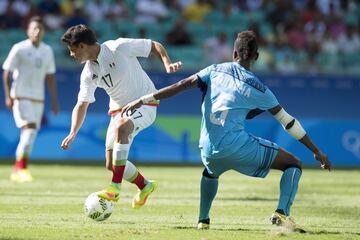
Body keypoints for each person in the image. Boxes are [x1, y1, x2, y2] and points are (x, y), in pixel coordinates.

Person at [120, 30, 331, 229]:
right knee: (293, 164)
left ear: (234, 53)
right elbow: (288, 122)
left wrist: (144, 99)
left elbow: (183, 84)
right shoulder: (260, 88)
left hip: (208, 150)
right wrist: (316, 151)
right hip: (238, 147)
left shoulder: (213, 70)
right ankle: (282, 214)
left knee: (211, 172)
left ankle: (203, 220)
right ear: (256, 56)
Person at [60, 24, 182, 208]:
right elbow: (81, 104)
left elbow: (153, 45)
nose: (71, 54)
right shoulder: (88, 73)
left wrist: (167, 63)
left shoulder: (119, 47)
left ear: (83, 46)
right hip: (119, 111)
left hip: (145, 102)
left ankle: (114, 188)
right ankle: (145, 186)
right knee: (112, 164)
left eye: (72, 49)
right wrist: (73, 132)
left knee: (122, 126)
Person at [2, 16, 59, 183]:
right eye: (34, 28)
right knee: (31, 130)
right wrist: (8, 96)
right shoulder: (19, 48)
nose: (37, 31)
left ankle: (17, 169)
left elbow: (50, 76)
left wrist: (54, 100)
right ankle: (21, 168)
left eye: (40, 28)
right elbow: (7, 72)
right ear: (28, 30)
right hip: (20, 96)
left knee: (28, 135)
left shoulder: (47, 50)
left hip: (38, 99)